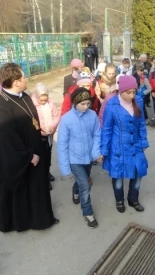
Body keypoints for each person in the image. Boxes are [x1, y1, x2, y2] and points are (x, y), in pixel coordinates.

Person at [0, 63, 58, 233]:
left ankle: (40, 218)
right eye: (24, 76)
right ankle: (24, 221)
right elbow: (5, 145)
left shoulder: (22, 96)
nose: (27, 79)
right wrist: (28, 157)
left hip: (36, 151)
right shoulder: (0, 109)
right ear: (16, 82)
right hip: (23, 159)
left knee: (37, 188)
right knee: (22, 194)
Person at [101, 76, 149, 213]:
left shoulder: (138, 101)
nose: (132, 95)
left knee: (138, 174)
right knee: (118, 178)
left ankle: (133, 199)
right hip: (118, 148)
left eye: (134, 92)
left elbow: (141, 125)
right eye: (129, 92)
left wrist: (144, 141)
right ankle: (119, 200)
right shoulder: (111, 105)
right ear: (120, 91)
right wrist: (104, 149)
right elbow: (107, 129)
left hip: (136, 146)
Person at [57, 88, 103, 228]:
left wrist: (96, 154)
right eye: (83, 104)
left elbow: (96, 135)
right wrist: (65, 168)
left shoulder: (92, 116)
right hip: (74, 160)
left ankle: (75, 190)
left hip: (88, 158)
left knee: (81, 182)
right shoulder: (66, 120)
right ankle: (87, 213)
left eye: (88, 103)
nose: (86, 107)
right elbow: (62, 145)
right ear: (75, 102)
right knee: (85, 185)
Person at [31, 83, 60, 190]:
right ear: (36, 97)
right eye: (41, 100)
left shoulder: (51, 103)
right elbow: (30, 121)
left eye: (45, 100)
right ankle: (43, 178)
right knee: (40, 157)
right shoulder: (32, 105)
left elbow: (56, 116)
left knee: (48, 155)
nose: (43, 102)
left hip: (49, 134)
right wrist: (38, 130)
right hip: (38, 136)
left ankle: (47, 173)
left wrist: (52, 126)